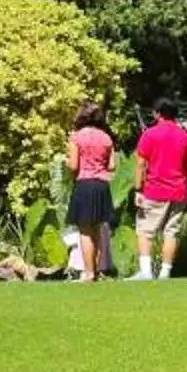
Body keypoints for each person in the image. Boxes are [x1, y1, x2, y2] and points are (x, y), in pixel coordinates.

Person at [131, 97, 187, 280]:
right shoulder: (186, 137)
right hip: (179, 191)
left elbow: (141, 164)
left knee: (145, 231)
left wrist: (138, 189)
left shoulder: (150, 135)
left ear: (156, 113)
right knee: (171, 232)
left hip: (155, 190)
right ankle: (165, 271)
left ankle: (146, 272)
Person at [65, 102, 117, 283]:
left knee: (85, 231)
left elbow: (73, 165)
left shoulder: (76, 138)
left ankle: (88, 273)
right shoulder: (106, 138)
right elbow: (112, 165)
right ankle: (95, 269)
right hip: (102, 186)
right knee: (96, 229)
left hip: (84, 184)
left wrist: (67, 165)